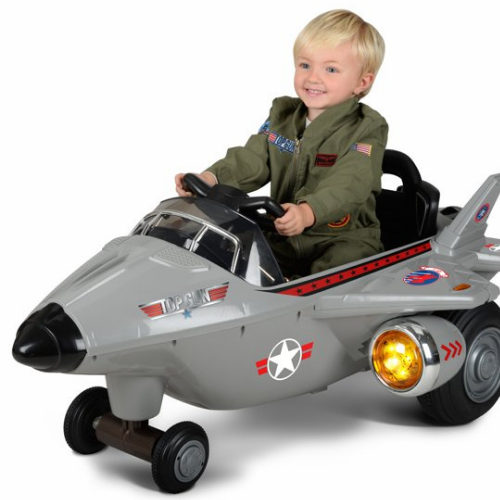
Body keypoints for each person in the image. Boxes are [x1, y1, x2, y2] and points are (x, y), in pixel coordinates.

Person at [175, 9, 388, 278]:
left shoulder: (366, 128)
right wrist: (211, 178)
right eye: (305, 65)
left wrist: (308, 212)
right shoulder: (282, 115)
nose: (313, 78)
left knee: (338, 267)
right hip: (284, 230)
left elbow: (350, 183)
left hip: (342, 237)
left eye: (331, 69)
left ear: (362, 82)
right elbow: (253, 158)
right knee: (233, 255)